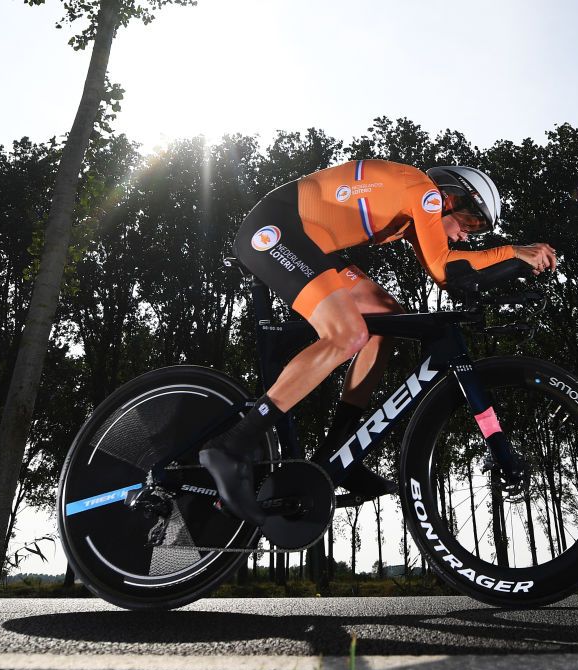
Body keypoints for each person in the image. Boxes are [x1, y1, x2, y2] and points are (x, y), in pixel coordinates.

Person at [199, 160, 556, 524]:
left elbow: (456, 277)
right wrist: (513, 252)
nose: (467, 235)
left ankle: (338, 452)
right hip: (277, 229)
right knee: (348, 333)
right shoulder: (424, 192)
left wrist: (510, 267)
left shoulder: (409, 217)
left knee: (386, 321)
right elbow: (444, 267)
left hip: (309, 244)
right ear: (453, 197)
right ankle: (233, 445)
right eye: (470, 223)